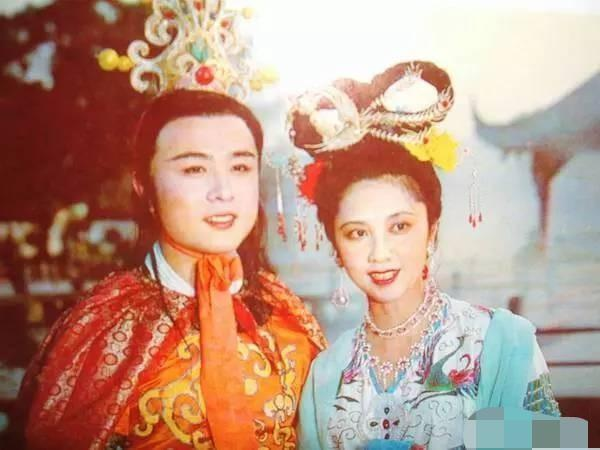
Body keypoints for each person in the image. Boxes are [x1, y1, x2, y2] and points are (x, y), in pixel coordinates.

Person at [18, 3, 326, 449]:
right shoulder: (103, 327)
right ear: (143, 185)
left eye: (240, 167)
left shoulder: (288, 314)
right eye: (194, 169)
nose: (223, 191)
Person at [287, 61, 559, 449]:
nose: (380, 253)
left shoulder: (500, 342)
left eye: (399, 226)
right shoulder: (327, 375)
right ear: (336, 248)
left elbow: (552, 444)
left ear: (432, 230)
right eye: (357, 233)